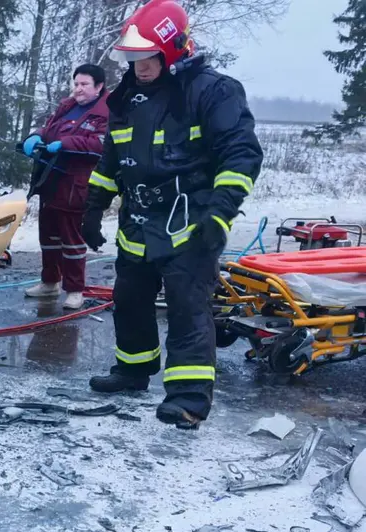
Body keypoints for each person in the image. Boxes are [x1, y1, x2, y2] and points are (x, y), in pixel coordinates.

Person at [81, 0, 262, 428]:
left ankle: (188, 397)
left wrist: (219, 215)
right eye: (134, 59)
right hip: (139, 222)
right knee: (129, 301)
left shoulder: (213, 91)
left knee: (187, 308)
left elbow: (241, 155)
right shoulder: (127, 96)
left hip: (191, 220)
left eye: (148, 58)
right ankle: (132, 370)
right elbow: (112, 157)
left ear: (174, 49)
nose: (140, 67)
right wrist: (94, 205)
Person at [20, 64, 110, 310]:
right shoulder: (67, 107)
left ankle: (74, 289)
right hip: (50, 181)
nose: (78, 89)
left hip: (75, 185)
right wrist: (35, 136)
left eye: (84, 85)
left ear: (99, 86)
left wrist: (66, 143)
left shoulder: (105, 112)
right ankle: (50, 283)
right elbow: (48, 128)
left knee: (71, 241)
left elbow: (101, 145)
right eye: (76, 83)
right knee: (48, 238)